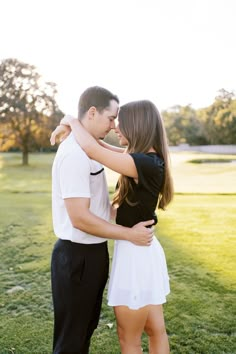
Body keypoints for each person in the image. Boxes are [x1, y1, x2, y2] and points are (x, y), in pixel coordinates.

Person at [51, 99, 174, 354]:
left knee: (128, 337)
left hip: (135, 253)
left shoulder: (144, 163)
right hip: (143, 250)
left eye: (121, 124)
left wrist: (73, 121)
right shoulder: (146, 159)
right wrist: (72, 124)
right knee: (155, 330)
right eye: (113, 121)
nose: (116, 128)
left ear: (137, 126)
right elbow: (98, 144)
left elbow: (93, 150)